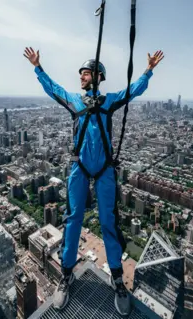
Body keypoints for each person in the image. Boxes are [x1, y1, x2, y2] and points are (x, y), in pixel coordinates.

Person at [23, 47, 164, 316]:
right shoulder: (76, 102)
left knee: (108, 222)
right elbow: (54, 90)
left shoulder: (108, 102)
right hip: (80, 167)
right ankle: (66, 275)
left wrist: (148, 71)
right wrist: (38, 68)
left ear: (98, 77)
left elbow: (131, 91)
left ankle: (117, 279)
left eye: (85, 73)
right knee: (73, 219)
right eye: (81, 74)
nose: (81, 77)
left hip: (104, 170)